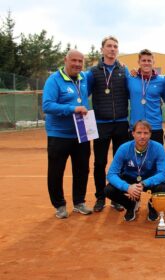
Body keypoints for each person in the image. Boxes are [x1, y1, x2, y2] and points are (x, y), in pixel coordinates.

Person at [42, 49, 93, 219]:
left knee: (82, 170)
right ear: (66, 60)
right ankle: (60, 205)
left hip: (82, 132)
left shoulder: (84, 78)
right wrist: (72, 109)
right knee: (56, 171)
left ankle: (79, 202)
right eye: (74, 61)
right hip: (59, 135)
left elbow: (100, 72)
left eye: (80, 61)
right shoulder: (54, 80)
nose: (77, 64)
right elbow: (47, 105)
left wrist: (122, 66)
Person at [85, 36, 129, 212]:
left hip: (121, 123)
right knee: (100, 163)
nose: (112, 49)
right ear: (102, 49)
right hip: (100, 124)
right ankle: (100, 197)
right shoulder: (93, 72)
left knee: (120, 163)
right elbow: (83, 94)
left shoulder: (124, 71)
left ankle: (117, 198)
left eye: (115, 46)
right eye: (109, 46)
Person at [105, 120, 165, 222]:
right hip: (130, 179)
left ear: (150, 134)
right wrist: (127, 187)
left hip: (148, 179)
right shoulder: (124, 148)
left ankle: (152, 206)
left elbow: (164, 174)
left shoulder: (158, 148)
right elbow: (111, 174)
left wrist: (144, 183)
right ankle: (130, 205)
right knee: (109, 190)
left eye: (146, 133)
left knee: (162, 187)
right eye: (139, 133)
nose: (142, 136)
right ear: (133, 133)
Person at [126, 49, 165, 144]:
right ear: (138, 62)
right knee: (135, 158)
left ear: (153, 62)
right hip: (136, 128)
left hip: (155, 128)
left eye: (149, 60)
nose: (146, 63)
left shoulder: (162, 81)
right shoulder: (130, 79)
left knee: (155, 157)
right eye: (143, 60)